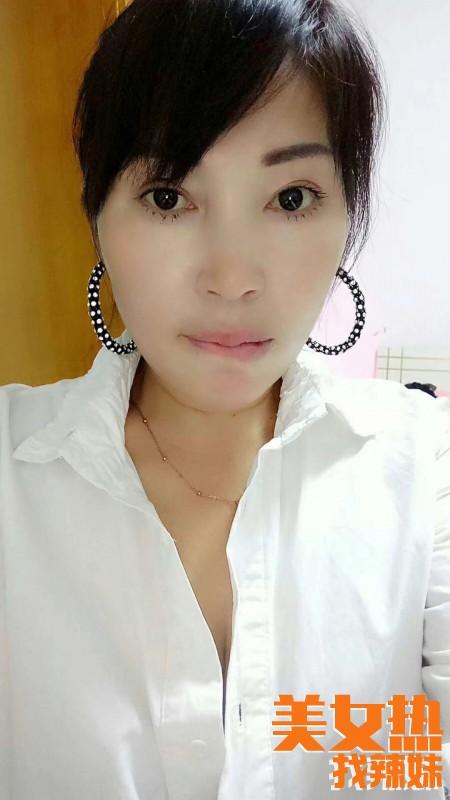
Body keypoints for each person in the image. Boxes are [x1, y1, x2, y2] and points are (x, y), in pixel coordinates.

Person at [0, 1, 449, 798]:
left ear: (348, 214)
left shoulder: (427, 468)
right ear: (97, 213)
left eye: (291, 198)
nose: (232, 278)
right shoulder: (13, 473)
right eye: (169, 196)